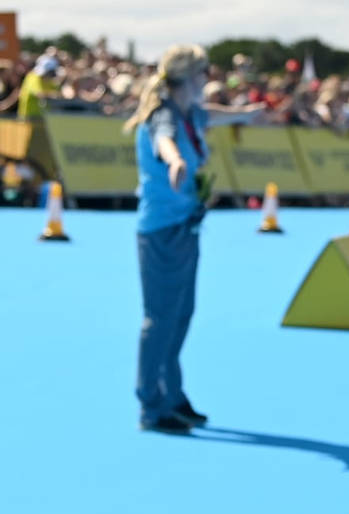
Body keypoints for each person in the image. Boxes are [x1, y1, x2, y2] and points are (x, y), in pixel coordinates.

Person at [122, 44, 263, 434]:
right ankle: (151, 406)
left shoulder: (189, 113)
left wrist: (247, 114)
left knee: (181, 316)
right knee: (161, 318)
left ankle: (173, 395)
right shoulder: (164, 116)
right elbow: (164, 140)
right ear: (188, 78)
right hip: (162, 231)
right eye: (203, 74)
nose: (208, 80)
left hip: (186, 226)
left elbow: (213, 116)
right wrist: (176, 162)